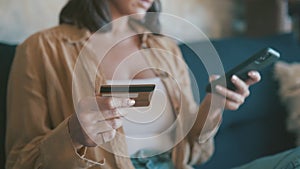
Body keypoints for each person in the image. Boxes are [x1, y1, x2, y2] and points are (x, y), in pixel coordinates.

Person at [5, 0, 299, 169]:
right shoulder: (42, 49)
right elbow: (20, 161)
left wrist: (212, 107)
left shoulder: (164, 47)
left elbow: (196, 153)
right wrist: (74, 134)